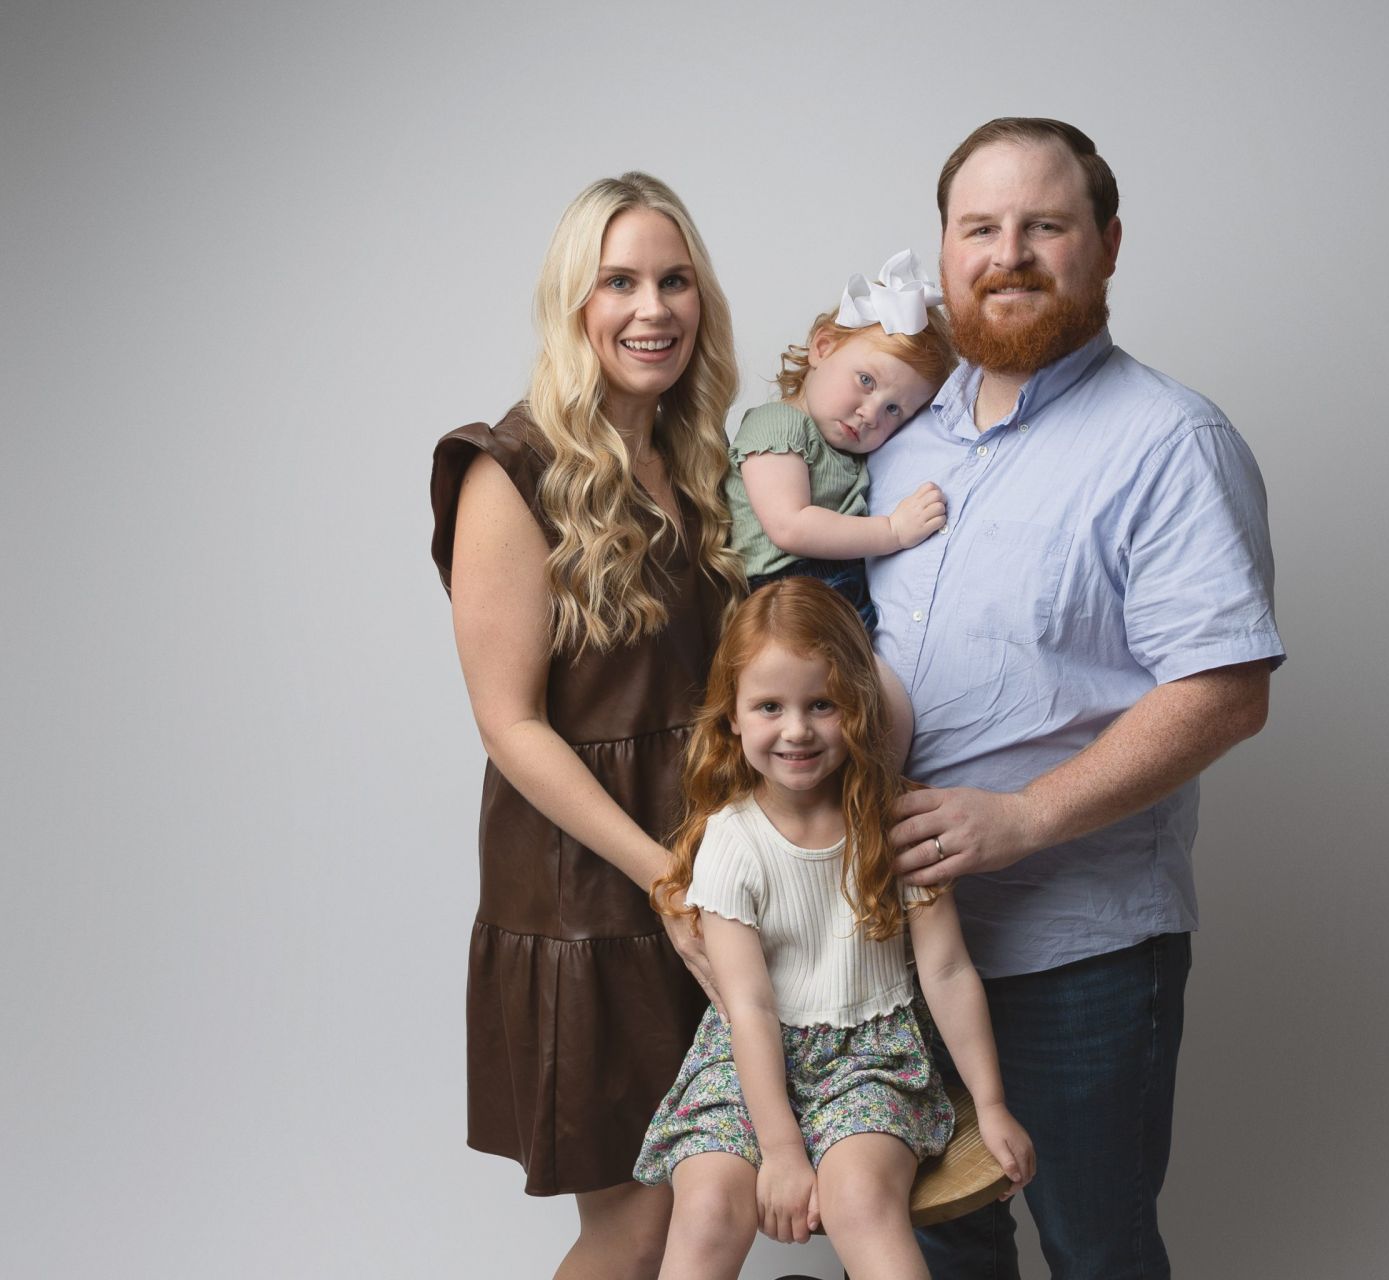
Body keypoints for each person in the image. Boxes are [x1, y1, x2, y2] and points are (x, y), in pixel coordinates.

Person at [866, 118, 1287, 1279]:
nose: (1008, 253)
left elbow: (1224, 689)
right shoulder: (894, 442)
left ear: (1104, 244)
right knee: (927, 1237)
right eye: (979, 228)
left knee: (1092, 1246)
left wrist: (1023, 818)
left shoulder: (1169, 441)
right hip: (895, 945)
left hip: (1077, 949)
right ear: (944, 253)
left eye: (1043, 225)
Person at [428, 171, 745, 1279]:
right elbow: (510, 726)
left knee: (711, 1198)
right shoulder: (507, 469)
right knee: (636, 1221)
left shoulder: (703, 465)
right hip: (592, 893)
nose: (650, 308)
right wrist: (668, 880)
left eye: (673, 280)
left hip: (708, 878)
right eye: (619, 281)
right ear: (574, 301)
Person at [633, 578, 1035, 1280]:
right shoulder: (730, 841)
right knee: (705, 1211)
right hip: (745, 1060)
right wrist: (782, 1149)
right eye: (769, 707)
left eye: (823, 704)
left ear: (858, 704)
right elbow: (749, 1008)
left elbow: (946, 971)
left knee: (860, 1202)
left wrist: (993, 1103)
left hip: (869, 1061)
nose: (797, 730)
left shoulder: (900, 823)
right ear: (732, 716)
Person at [725, 250, 955, 631]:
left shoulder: (852, 453)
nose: (871, 414)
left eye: (894, 410)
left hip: (839, 592)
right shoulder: (778, 424)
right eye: (866, 381)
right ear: (823, 347)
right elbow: (790, 526)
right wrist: (893, 531)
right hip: (779, 597)